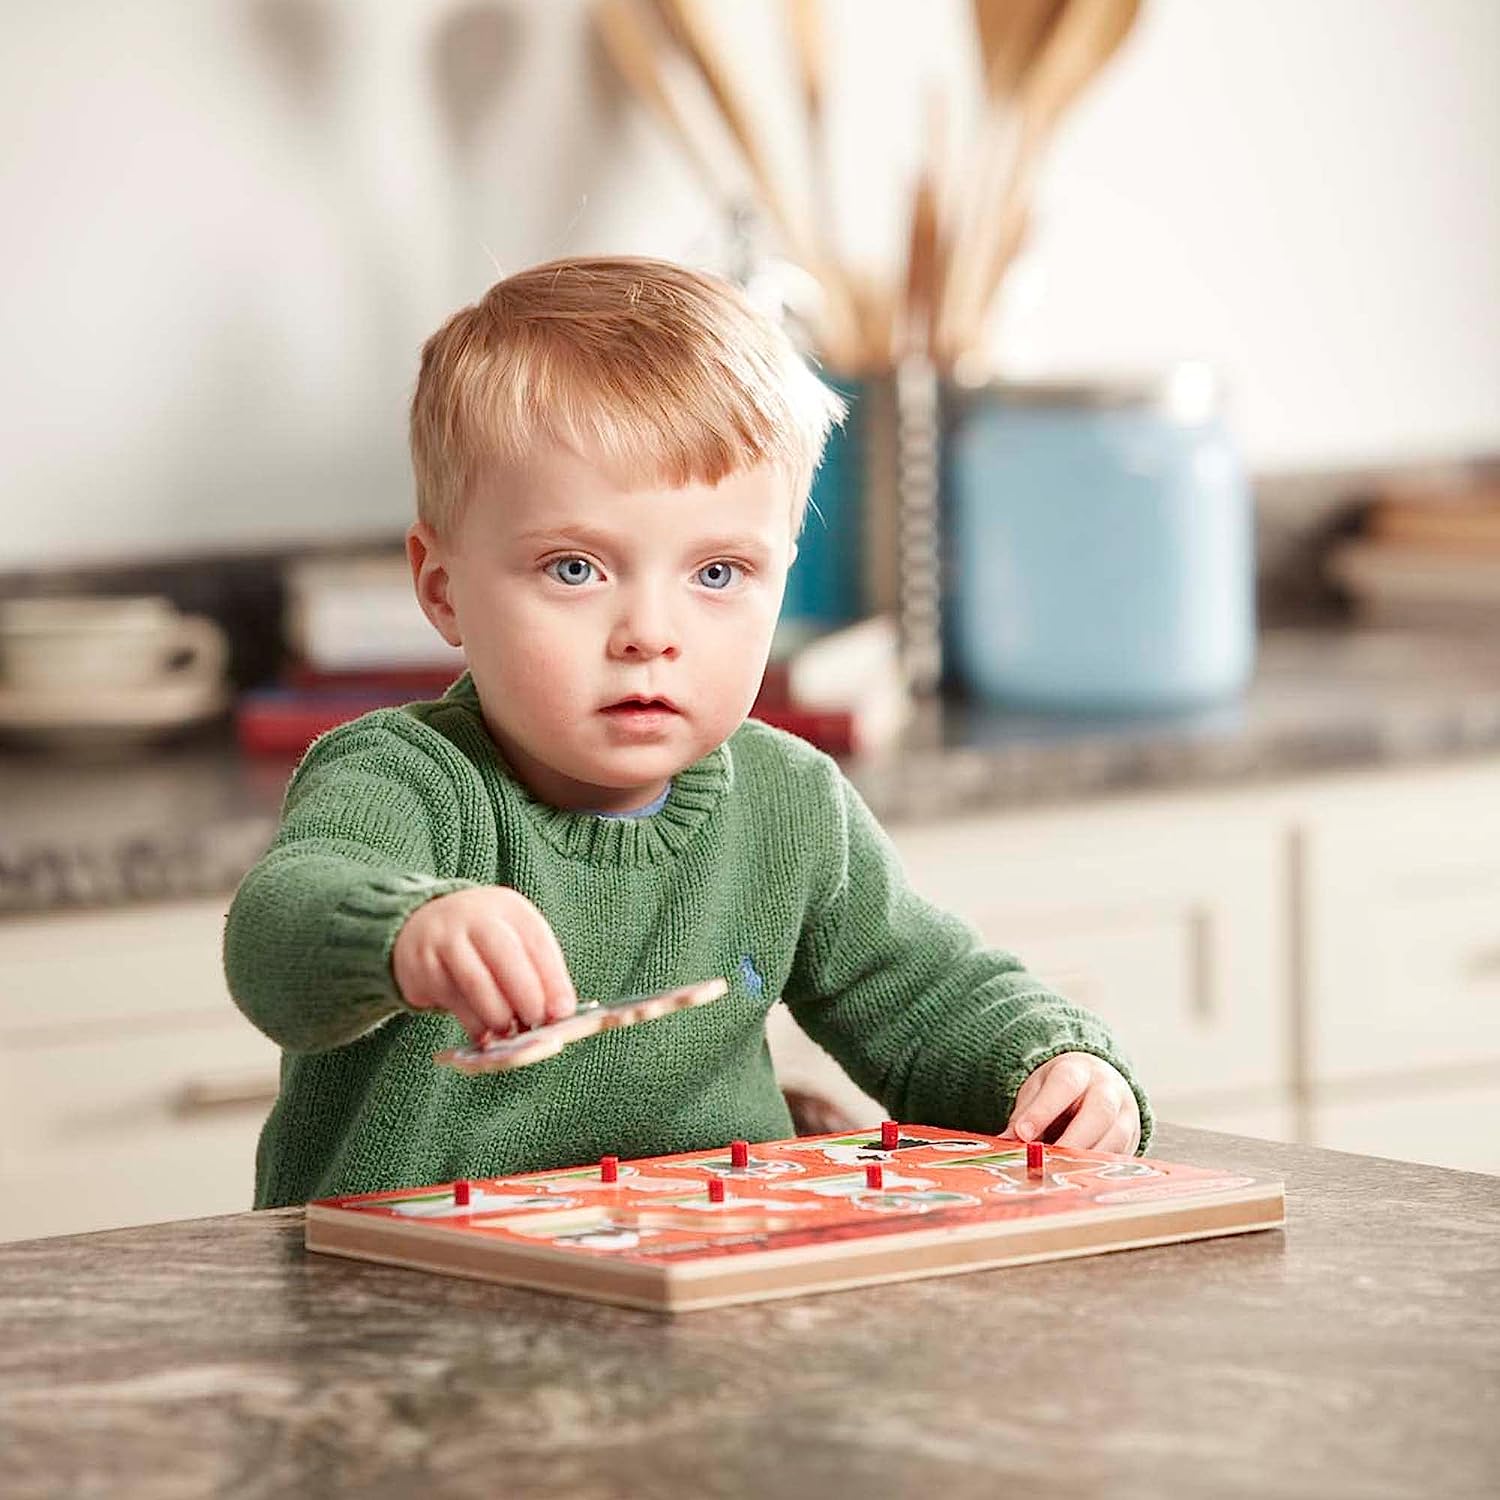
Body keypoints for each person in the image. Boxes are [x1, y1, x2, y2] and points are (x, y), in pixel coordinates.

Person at [224, 256, 1149, 1209]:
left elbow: (926, 994)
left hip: (709, 1303)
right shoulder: (406, 780)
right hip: (399, 1323)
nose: (649, 634)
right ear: (441, 587)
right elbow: (276, 938)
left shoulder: (788, 801)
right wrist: (402, 931)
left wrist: (1057, 1068)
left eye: (717, 574)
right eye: (576, 568)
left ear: (781, 576)